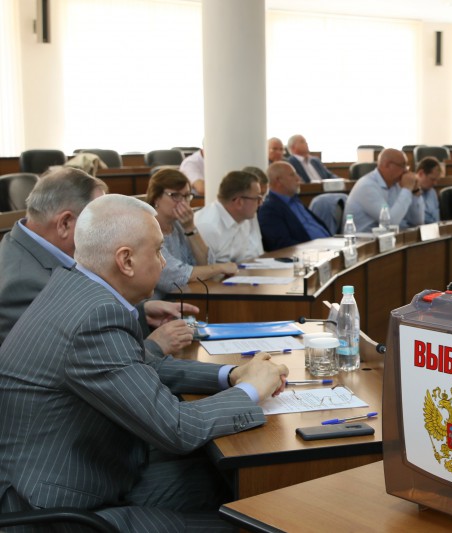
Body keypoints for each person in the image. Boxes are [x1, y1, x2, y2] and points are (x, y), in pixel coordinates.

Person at [0, 194, 289, 531]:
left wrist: (233, 374)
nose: (164, 263)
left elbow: (141, 366)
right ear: (126, 260)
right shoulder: (94, 317)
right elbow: (177, 428)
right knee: (250, 523)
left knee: (232, 482)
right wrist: (252, 389)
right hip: (56, 511)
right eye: (158, 251)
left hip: (92, 473)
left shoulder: (77, 288)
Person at [0, 167, 194, 356]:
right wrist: (154, 346)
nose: (110, 233)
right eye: (99, 222)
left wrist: (142, 312)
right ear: (65, 223)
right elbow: (75, 358)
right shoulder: (23, 284)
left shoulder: (33, 248)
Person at [147, 168, 238, 298]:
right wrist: (220, 268)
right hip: (156, 304)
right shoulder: (146, 229)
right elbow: (174, 277)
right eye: (176, 196)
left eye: (186, 196)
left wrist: (190, 228)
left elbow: (206, 264)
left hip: (186, 298)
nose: (183, 202)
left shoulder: (179, 225)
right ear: (156, 198)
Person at [344, 148, 424, 232]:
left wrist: (415, 192)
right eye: (402, 166)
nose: (406, 170)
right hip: (363, 238)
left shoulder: (396, 184)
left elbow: (417, 222)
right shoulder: (366, 186)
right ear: (387, 165)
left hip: (389, 237)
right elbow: (390, 222)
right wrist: (407, 189)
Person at [257, 161, 332, 251]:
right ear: (278, 181)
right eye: (292, 175)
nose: (298, 178)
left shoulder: (296, 201)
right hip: (312, 253)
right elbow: (282, 244)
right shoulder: (269, 209)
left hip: (330, 247)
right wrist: (317, 249)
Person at [195, 170, 264, 263]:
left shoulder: (243, 219)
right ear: (239, 202)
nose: (261, 203)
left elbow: (243, 260)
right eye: (257, 199)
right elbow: (205, 269)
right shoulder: (208, 226)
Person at [416, 156, 442, 224]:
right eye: (432, 179)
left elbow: (436, 219)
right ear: (421, 174)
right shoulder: (409, 193)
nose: (435, 183)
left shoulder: (432, 192)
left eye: (436, 180)